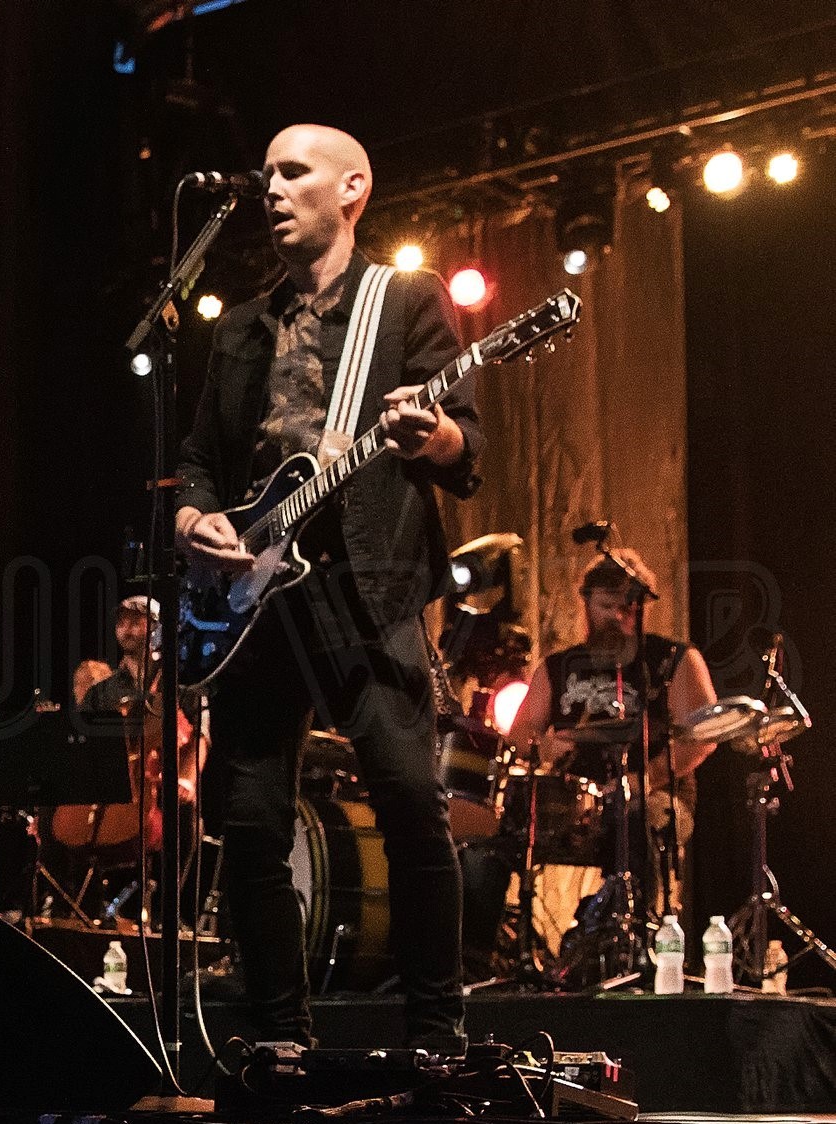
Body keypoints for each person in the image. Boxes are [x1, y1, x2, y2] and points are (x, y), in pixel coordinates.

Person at [175, 124, 482, 1051]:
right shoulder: (239, 324)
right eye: (266, 173)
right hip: (255, 597)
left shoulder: (405, 298)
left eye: (292, 172)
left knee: (408, 806)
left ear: (353, 188)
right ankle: (278, 1036)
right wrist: (194, 522)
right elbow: (195, 460)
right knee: (251, 823)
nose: (271, 187)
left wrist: (428, 435)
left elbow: (464, 445)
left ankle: (437, 1037)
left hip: (368, 585)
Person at [504, 549, 718, 923]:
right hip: (573, 802)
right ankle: (483, 952)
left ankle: (635, 934)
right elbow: (520, 733)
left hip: (655, 793)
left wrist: (643, 780)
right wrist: (546, 745)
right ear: (586, 602)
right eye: (607, 606)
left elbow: (703, 736)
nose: (618, 617)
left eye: (628, 608)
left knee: (636, 817)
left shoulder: (673, 660)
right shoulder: (558, 666)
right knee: (498, 830)